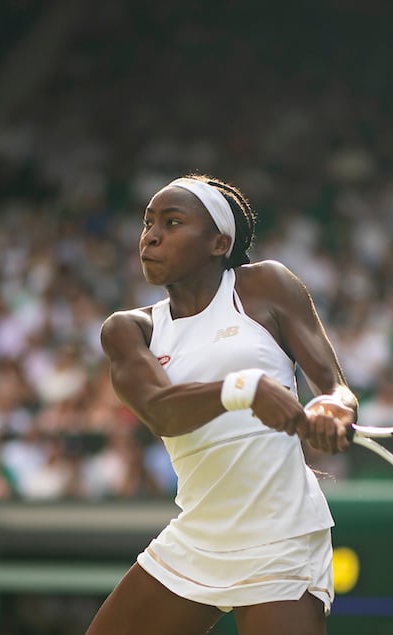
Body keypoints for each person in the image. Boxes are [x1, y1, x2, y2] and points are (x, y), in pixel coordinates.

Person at [86, 175, 358, 635]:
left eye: (172, 223)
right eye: (148, 223)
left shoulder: (266, 286)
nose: (150, 236)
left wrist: (335, 409)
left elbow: (335, 387)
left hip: (281, 535)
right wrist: (244, 389)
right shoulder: (130, 330)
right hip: (197, 537)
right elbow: (160, 410)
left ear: (219, 242)